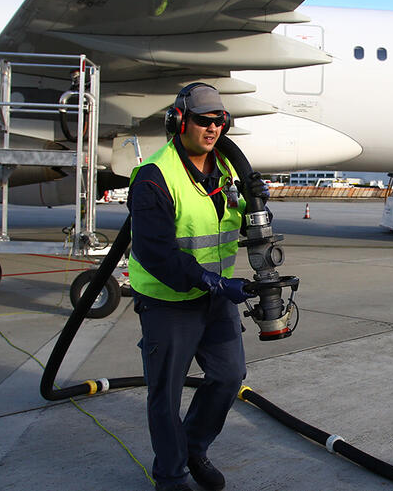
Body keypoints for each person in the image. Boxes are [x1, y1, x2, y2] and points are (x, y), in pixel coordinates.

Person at [127, 83, 260, 491]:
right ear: (179, 121)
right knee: (165, 396)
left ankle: (193, 447)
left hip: (214, 301)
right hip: (168, 302)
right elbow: (156, 254)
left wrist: (258, 206)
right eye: (203, 121)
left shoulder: (229, 170)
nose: (213, 129)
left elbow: (236, 225)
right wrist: (213, 281)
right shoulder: (154, 176)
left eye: (220, 121)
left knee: (227, 377)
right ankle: (170, 475)